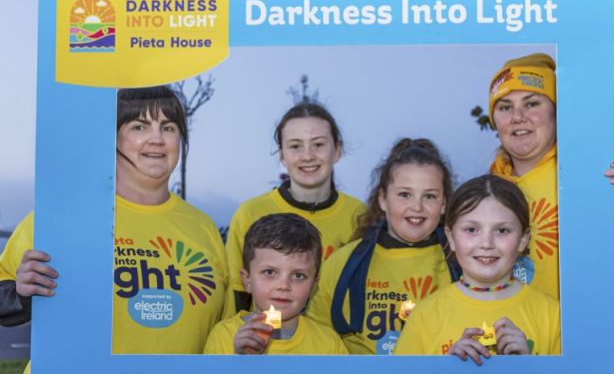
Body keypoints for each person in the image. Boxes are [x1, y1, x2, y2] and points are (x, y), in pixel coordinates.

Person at [487, 53, 614, 373]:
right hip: (521, 357)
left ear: (556, 111)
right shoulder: (486, 193)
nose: (518, 117)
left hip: (602, 358)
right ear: (494, 120)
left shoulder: (599, 175)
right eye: (505, 107)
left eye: (532, 103)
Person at [0, 86, 231, 354]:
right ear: (113, 138)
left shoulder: (203, 228)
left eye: (168, 128)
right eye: (139, 127)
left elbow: (225, 331)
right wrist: (20, 294)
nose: (157, 139)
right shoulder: (60, 217)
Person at [305, 138, 461, 355]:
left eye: (430, 196)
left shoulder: (460, 263)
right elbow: (313, 336)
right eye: (405, 194)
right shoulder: (344, 263)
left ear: (443, 204)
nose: (417, 206)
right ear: (382, 199)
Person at [394, 175, 560, 364]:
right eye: (472, 230)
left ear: (523, 239)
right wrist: (446, 368)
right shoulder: (424, 317)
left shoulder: (554, 317)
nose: (486, 243)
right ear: (450, 237)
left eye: (502, 230)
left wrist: (529, 366)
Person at [225, 102, 364, 313]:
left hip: (337, 344)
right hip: (269, 342)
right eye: (295, 146)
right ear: (282, 155)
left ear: (337, 150)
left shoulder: (360, 216)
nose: (307, 156)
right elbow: (236, 298)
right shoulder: (250, 214)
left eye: (318, 144)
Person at [204, 213, 348, 355]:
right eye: (270, 272)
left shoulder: (329, 345)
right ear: (247, 281)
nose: (284, 286)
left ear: (313, 285)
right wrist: (240, 362)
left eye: (298, 275)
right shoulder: (224, 337)